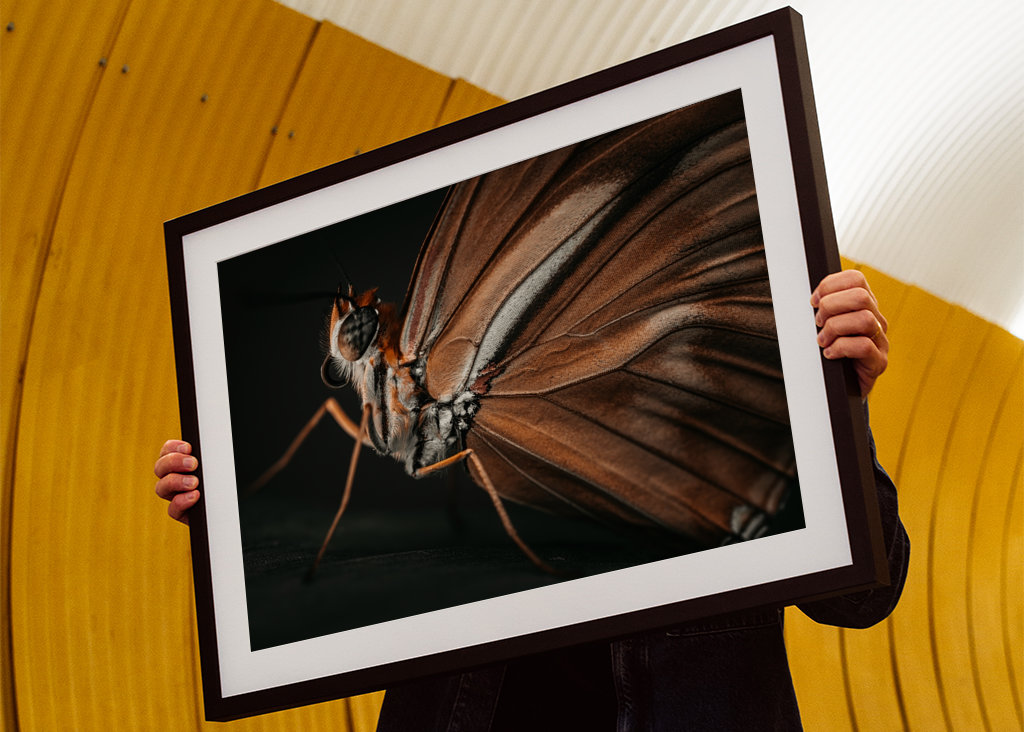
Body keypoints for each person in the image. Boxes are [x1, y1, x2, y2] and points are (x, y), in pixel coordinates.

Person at [155, 270, 909, 730]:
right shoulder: (454, 411)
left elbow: (864, 594)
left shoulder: (719, 409)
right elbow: (372, 501)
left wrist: (835, 405)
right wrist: (232, 500)